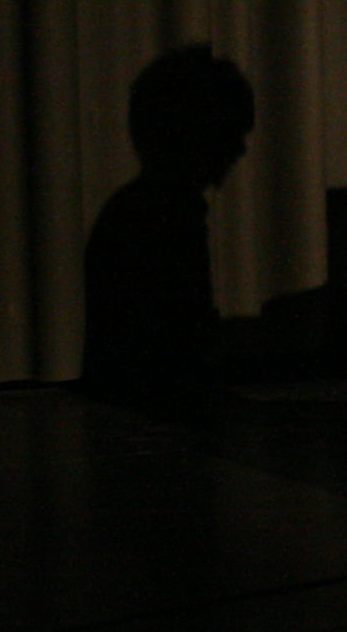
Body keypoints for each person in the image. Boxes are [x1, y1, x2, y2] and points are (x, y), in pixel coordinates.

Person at [79, 43, 254, 413]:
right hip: (146, 406)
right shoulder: (164, 214)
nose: (240, 148)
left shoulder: (147, 207)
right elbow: (173, 344)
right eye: (232, 132)